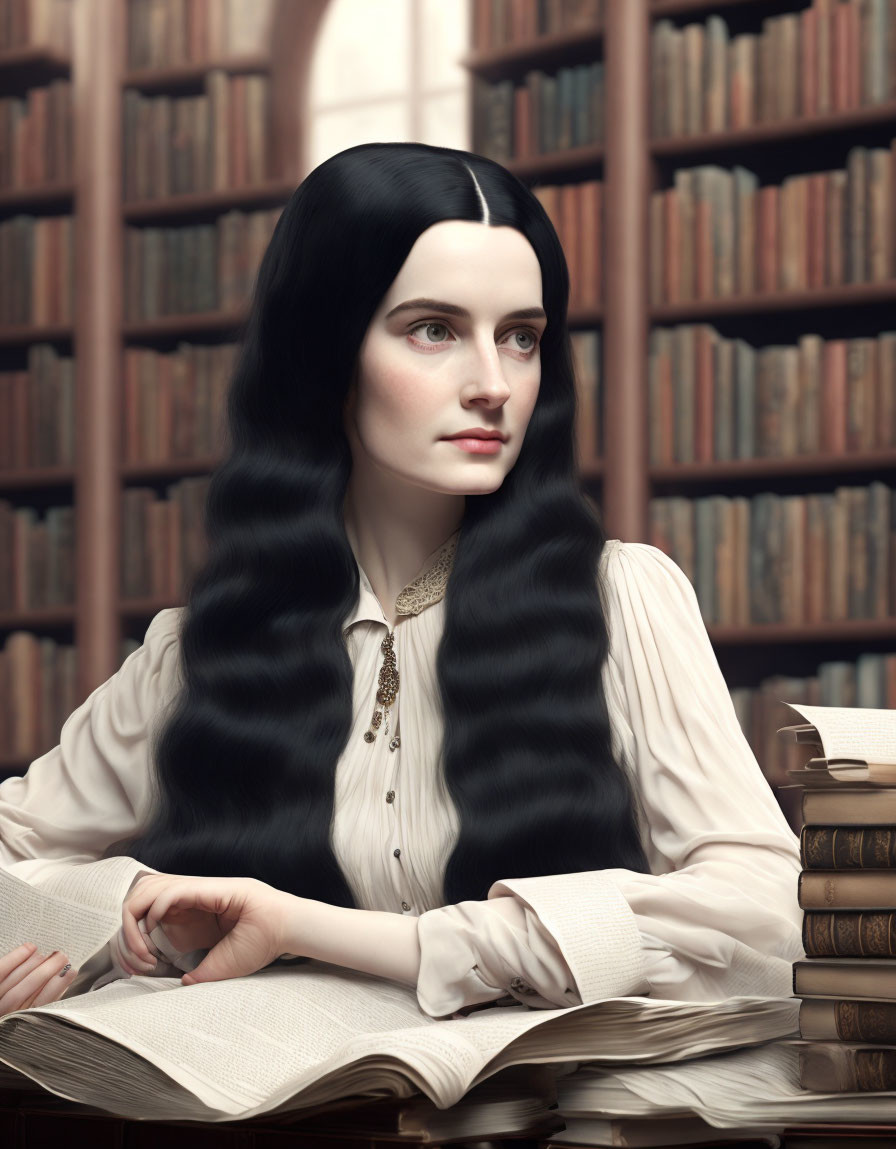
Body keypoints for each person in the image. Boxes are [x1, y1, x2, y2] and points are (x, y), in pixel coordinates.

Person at [0, 142, 803, 1025]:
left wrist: (355, 936)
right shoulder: (200, 651)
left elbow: (765, 912)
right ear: (326, 352)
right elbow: (14, 850)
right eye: (434, 330)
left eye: (521, 337)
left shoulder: (622, 600)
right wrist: (127, 914)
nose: (494, 385)